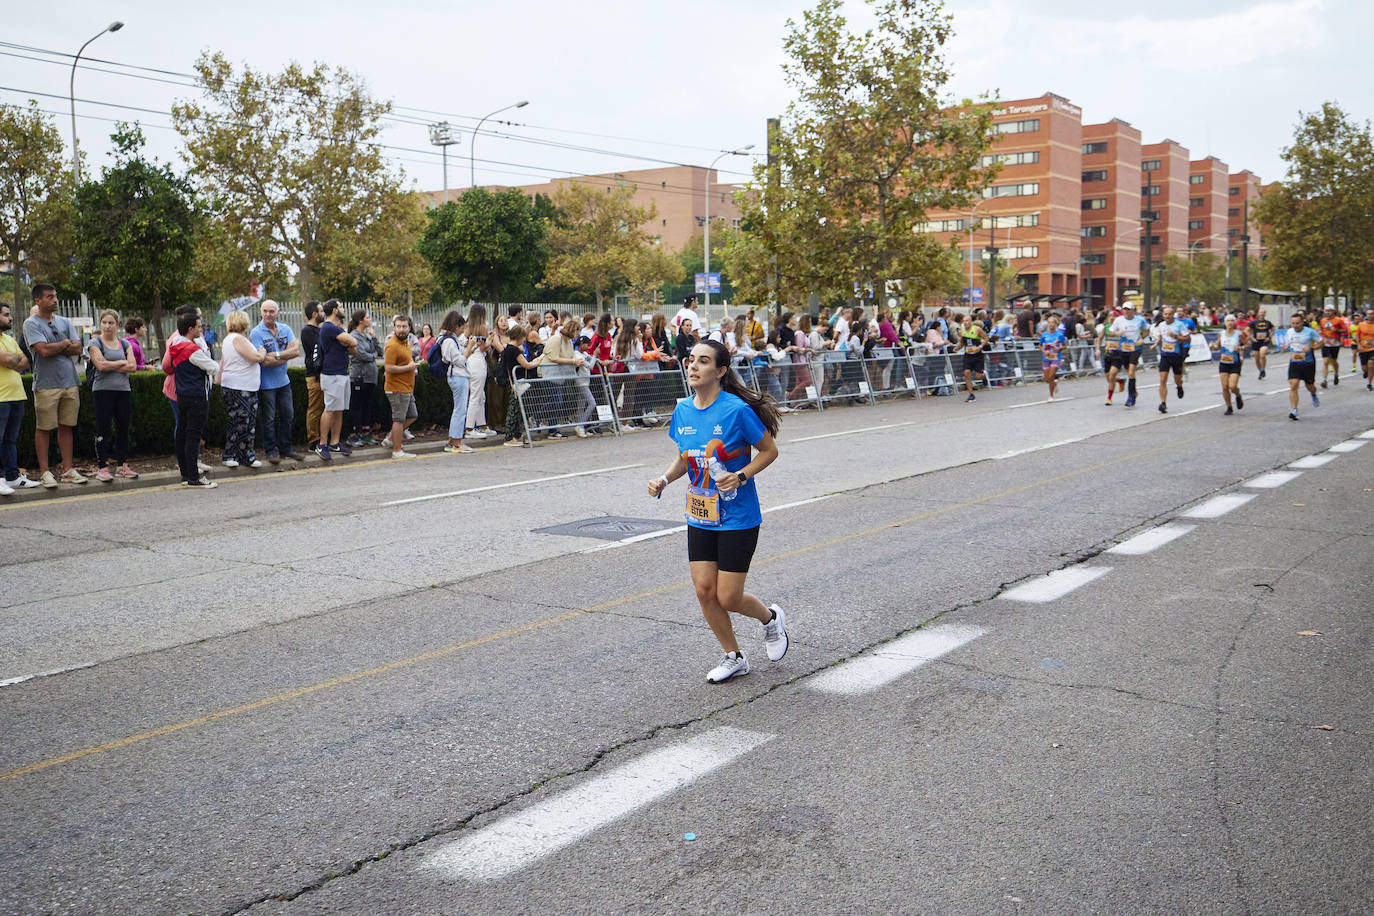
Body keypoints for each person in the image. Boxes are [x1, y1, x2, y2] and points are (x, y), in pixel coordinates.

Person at [647, 338, 787, 683]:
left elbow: (769, 451)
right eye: (691, 359)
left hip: (738, 517)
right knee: (704, 591)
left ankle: (770, 619)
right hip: (700, 514)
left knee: (728, 596)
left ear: (720, 371)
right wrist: (664, 479)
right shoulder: (682, 410)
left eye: (703, 361)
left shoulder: (736, 410)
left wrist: (740, 476)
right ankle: (734, 656)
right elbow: (686, 457)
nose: (693, 366)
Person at [22, 284, 86, 488]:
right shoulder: (31, 324)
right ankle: (45, 472)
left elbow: (78, 348)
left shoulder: (64, 321)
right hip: (46, 384)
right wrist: (65, 343)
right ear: (38, 300)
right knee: (44, 427)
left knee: (67, 426)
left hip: (70, 381)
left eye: (55, 296)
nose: (55, 300)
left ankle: (68, 470)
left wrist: (61, 345)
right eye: (50, 297)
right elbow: (43, 351)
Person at [168, 311, 220, 488]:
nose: (201, 330)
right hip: (197, 396)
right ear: (190, 329)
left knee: (182, 434)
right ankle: (194, 477)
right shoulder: (192, 350)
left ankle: (185, 473)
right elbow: (213, 367)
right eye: (198, 327)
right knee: (193, 436)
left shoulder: (176, 343)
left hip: (182, 394)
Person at [86, 309, 139, 481]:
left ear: (117, 325)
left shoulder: (124, 344)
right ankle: (102, 467)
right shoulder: (95, 343)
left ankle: (122, 465)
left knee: (123, 428)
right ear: (100, 324)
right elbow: (100, 366)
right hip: (102, 390)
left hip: (123, 390)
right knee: (104, 429)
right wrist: (122, 362)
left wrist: (112, 364)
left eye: (111, 323)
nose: (107, 326)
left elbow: (133, 366)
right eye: (104, 323)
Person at [249, 299, 303, 464]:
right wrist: (285, 353)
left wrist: (276, 355)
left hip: (283, 381)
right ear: (260, 312)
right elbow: (263, 361)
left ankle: (286, 448)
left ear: (277, 313)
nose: (268, 314)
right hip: (266, 385)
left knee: (288, 414)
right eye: (265, 311)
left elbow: (296, 351)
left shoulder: (285, 329)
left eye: (271, 311)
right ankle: (271, 450)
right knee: (269, 418)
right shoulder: (256, 333)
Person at [218, 309, 266, 468]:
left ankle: (245, 455)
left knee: (246, 422)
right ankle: (231, 455)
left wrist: (218, 378)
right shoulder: (238, 339)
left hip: (240, 386)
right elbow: (256, 358)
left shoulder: (228, 339)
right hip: (239, 387)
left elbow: (224, 361)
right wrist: (262, 351)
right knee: (242, 422)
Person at [0, 302, 37, 494]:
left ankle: (12, 477)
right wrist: (13, 359)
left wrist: (13, 359)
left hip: (16, 396)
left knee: (10, 439)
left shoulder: (9, 339)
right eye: (6, 314)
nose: (11, 318)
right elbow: (10, 360)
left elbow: (24, 361)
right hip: (1, 397)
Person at [316, 299, 357, 461]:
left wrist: (346, 341)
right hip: (331, 374)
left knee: (339, 408)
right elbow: (353, 342)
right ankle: (322, 444)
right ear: (334, 310)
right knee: (330, 408)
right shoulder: (329, 327)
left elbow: (354, 350)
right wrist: (347, 340)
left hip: (342, 373)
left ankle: (335, 442)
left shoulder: (338, 329)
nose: (342, 309)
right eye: (340, 306)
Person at [437, 309, 475, 453]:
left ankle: (454, 440)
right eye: (461, 327)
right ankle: (456, 443)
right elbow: (459, 360)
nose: (462, 331)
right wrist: (470, 348)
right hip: (458, 376)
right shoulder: (448, 341)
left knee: (459, 409)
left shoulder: (446, 339)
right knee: (460, 410)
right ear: (456, 326)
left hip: (457, 376)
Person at [381, 314, 419, 459]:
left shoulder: (405, 342)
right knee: (398, 419)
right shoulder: (392, 345)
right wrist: (409, 367)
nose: (401, 330)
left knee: (413, 415)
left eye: (404, 326)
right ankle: (397, 451)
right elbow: (389, 368)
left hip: (407, 388)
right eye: (398, 326)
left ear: (409, 328)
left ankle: (391, 439)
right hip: (397, 388)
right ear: (394, 328)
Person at [500, 324, 542, 446]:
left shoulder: (508, 348)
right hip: (517, 383)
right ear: (519, 336)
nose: (524, 340)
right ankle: (509, 437)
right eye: (523, 337)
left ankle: (516, 435)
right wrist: (537, 361)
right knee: (514, 410)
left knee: (517, 409)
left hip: (513, 382)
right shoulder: (514, 350)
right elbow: (527, 365)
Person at [346, 310, 380, 448]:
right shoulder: (353, 336)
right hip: (359, 377)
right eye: (367, 317)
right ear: (360, 320)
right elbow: (360, 355)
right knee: (357, 406)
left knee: (367, 406)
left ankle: (366, 433)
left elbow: (380, 351)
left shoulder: (367, 335)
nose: (370, 319)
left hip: (371, 377)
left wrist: (374, 338)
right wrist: (374, 356)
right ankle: (354, 434)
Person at [1106, 302, 1149, 407]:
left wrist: (1142, 338)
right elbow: (1110, 332)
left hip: (1135, 348)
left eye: (1128, 309)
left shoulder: (1140, 320)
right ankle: (1134, 392)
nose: (1126, 311)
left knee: (1131, 372)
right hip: (1123, 349)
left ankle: (1131, 397)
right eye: (1124, 309)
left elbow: (1147, 330)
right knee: (1128, 372)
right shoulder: (1119, 320)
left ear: (1133, 310)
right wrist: (1117, 333)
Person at [1283, 313, 1322, 421]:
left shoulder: (1310, 332)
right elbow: (1287, 343)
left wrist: (1312, 348)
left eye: (1297, 323)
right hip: (1294, 362)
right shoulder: (1289, 332)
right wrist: (1285, 346)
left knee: (1309, 386)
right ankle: (1294, 410)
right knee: (1293, 385)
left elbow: (1321, 342)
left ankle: (1313, 393)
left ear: (1302, 322)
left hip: (1308, 363)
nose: (1295, 325)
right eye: (1293, 323)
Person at [464, 304, 494, 439]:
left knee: (479, 395)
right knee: (476, 396)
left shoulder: (467, 327)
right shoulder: (482, 327)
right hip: (478, 362)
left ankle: (482, 425)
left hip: (469, 361)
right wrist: (490, 341)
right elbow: (482, 348)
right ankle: (469, 428)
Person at [1154, 305, 1191, 414]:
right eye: (1165, 314)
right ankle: (1163, 403)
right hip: (1165, 355)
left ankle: (1179, 386)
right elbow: (1161, 336)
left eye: (1169, 314)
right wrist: (1156, 343)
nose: (1167, 316)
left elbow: (1187, 338)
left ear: (1173, 314)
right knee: (1162, 380)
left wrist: (1176, 337)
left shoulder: (1179, 325)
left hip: (1176, 356)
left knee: (1177, 379)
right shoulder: (1161, 325)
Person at [1209, 314, 1248, 415]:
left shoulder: (1238, 334)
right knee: (1225, 386)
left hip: (1235, 363)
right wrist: (1213, 347)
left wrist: (1241, 348)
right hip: (1224, 363)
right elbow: (1218, 346)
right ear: (1225, 323)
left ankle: (1238, 395)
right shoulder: (1221, 334)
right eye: (1228, 321)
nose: (1230, 323)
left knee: (1232, 386)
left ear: (1234, 322)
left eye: (1232, 321)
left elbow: (1247, 344)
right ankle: (1229, 406)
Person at [300, 301, 324, 450]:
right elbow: (316, 350)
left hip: (322, 374)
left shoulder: (319, 330)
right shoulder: (308, 331)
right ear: (314, 314)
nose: (324, 314)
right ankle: (313, 440)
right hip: (314, 375)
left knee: (323, 408)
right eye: (321, 311)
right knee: (314, 409)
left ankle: (323, 438)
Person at [958, 312, 990, 402]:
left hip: (978, 356)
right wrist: (956, 348)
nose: (965, 323)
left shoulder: (977, 329)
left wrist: (979, 347)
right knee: (966, 373)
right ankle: (971, 394)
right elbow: (961, 343)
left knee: (977, 377)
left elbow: (986, 338)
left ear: (971, 322)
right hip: (968, 355)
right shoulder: (962, 332)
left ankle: (983, 376)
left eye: (967, 321)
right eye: (964, 321)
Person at [1037, 314, 1067, 401]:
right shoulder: (1044, 335)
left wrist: (1059, 348)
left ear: (1056, 324)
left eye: (1053, 322)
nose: (1051, 324)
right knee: (1047, 379)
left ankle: (1051, 396)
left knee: (1051, 376)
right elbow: (1040, 345)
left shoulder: (1059, 335)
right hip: (1046, 358)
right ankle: (1055, 383)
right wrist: (1043, 351)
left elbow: (1065, 346)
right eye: (1049, 322)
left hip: (1056, 358)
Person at [1318, 305, 1348, 388]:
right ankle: (1324, 380)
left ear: (1334, 311)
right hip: (1325, 343)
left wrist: (1336, 330)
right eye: (1327, 311)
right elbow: (1321, 329)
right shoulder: (1322, 320)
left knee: (1333, 361)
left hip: (1335, 343)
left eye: (1330, 310)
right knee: (1325, 361)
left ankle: (1336, 373)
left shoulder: (1339, 320)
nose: (1328, 312)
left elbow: (1345, 330)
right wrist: (1320, 333)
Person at [1249, 307, 1275, 379]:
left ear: (1265, 314)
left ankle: (1263, 368)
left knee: (1262, 354)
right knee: (1257, 359)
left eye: (1263, 312)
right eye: (1261, 312)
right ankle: (1261, 372)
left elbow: (1273, 330)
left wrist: (1269, 337)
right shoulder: (1253, 323)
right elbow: (1248, 331)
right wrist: (1252, 338)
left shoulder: (1268, 322)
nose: (1262, 314)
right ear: (1258, 313)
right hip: (1256, 342)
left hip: (1264, 342)